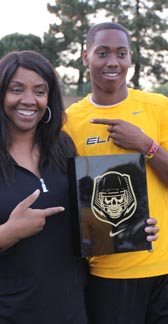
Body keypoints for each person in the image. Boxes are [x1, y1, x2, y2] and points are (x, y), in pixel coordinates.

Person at [0, 50, 89, 323]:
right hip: (1, 313)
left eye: (39, 91)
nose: (29, 100)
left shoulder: (63, 147)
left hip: (68, 312)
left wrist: (128, 227)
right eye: (16, 89)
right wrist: (7, 233)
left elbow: (87, 224)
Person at [63, 22, 168, 324]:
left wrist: (146, 145)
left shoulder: (158, 107)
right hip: (108, 274)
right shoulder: (70, 122)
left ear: (130, 59)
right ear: (86, 56)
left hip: (163, 266)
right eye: (103, 53)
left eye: (121, 54)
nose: (113, 62)